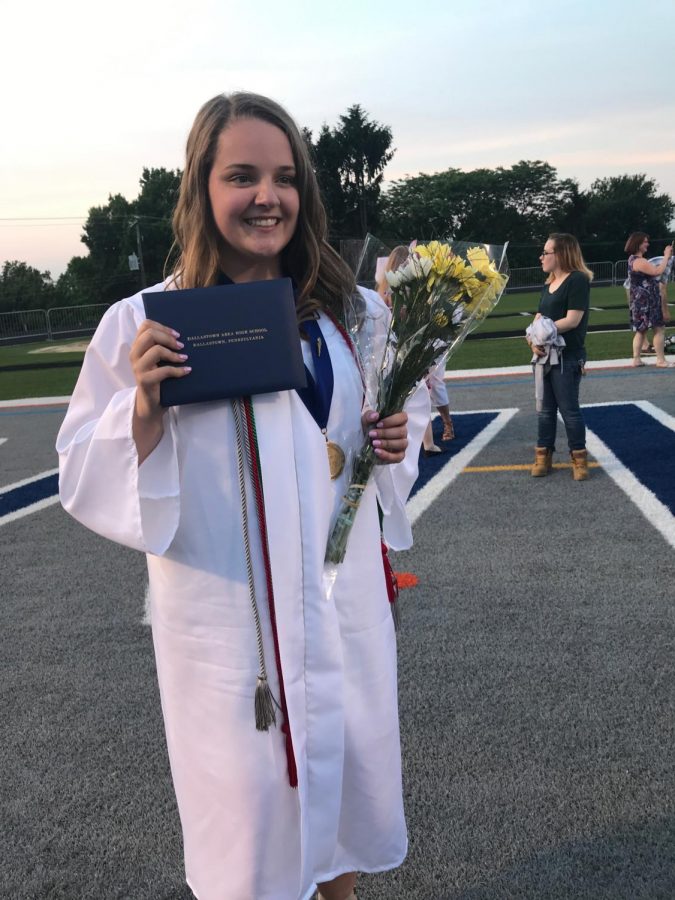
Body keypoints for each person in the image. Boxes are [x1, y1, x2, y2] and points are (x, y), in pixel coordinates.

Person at [56, 92, 429, 900]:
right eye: (242, 176)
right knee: (251, 828)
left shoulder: (352, 314)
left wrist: (393, 437)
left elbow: (391, 422)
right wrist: (143, 408)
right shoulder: (145, 324)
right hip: (231, 633)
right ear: (201, 187)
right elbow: (83, 467)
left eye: (285, 177)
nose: (269, 196)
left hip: (340, 604)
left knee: (344, 794)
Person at [376, 246, 455, 455]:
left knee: (409, 393)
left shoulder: (385, 290)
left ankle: (424, 440)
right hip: (403, 348)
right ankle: (427, 443)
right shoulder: (402, 290)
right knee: (418, 392)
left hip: (393, 349)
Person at [526, 233, 593, 481]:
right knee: (545, 410)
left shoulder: (577, 280)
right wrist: (533, 340)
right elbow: (538, 318)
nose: (541, 257)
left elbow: (573, 319)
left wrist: (542, 332)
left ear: (561, 254)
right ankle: (543, 455)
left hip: (567, 355)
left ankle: (579, 457)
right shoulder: (548, 283)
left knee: (569, 410)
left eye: (546, 252)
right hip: (545, 356)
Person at [624, 232, 674, 368]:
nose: (647, 244)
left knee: (641, 330)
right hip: (647, 301)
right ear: (638, 244)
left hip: (640, 301)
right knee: (659, 329)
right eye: (645, 242)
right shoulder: (640, 261)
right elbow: (657, 272)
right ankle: (661, 360)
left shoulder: (632, 259)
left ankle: (636, 359)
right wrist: (666, 257)